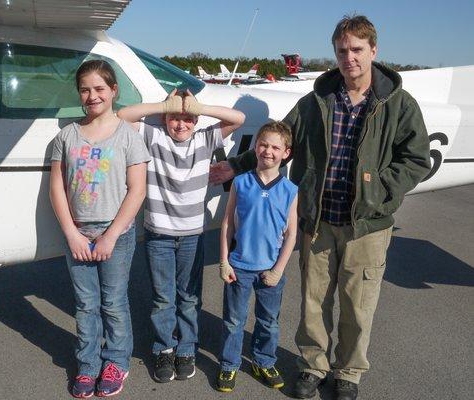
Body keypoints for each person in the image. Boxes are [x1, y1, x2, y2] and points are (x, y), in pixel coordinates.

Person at [210, 15, 431, 400]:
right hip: (318, 220)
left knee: (357, 306)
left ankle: (348, 373)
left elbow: (416, 159)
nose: (350, 58)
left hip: (367, 224)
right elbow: (279, 138)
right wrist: (237, 165)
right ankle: (313, 365)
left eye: (357, 49)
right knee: (314, 300)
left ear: (373, 51)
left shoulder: (398, 104)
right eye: (342, 50)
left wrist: (379, 191)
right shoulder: (316, 101)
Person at [117, 90, 245, 383]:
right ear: (165, 118)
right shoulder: (153, 135)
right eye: (175, 118)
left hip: (191, 235)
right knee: (163, 298)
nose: (181, 124)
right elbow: (122, 116)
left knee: (189, 297)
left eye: (188, 119)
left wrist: (197, 107)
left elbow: (238, 119)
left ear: (197, 121)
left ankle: (187, 347)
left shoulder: (205, 138)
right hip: (158, 233)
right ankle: (164, 348)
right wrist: (165, 105)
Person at [49, 60, 151, 398]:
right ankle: (88, 364)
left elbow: (137, 189)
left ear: (113, 91)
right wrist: (71, 233)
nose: (92, 96)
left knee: (113, 303)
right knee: (85, 304)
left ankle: (116, 362)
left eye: (99, 89)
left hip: (115, 235)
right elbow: (57, 189)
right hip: (79, 234)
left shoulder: (128, 135)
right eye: (85, 89)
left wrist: (110, 235)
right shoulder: (66, 136)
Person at [216, 122, 298, 393]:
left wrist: (278, 269)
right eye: (264, 145)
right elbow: (227, 222)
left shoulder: (290, 190)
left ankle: (263, 360)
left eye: (276, 147)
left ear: (286, 152)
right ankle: (229, 364)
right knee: (233, 321)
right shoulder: (240, 182)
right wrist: (224, 260)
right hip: (239, 266)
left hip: (270, 270)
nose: (268, 151)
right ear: (255, 147)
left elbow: (291, 235)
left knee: (268, 321)